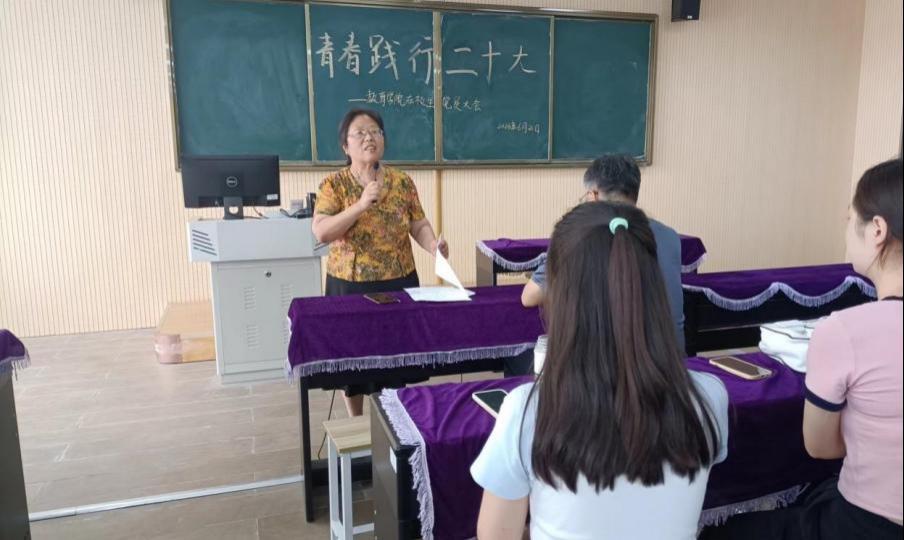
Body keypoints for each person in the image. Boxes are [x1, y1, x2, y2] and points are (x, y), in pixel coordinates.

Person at [471, 202, 729, 540]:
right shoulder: (710, 396)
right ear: (654, 286)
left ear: (562, 297)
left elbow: (495, 536)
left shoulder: (527, 410)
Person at [312, 108, 448, 417]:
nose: (369, 138)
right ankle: (357, 423)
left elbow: (418, 224)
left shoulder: (402, 182)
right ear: (345, 146)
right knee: (354, 361)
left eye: (375, 131)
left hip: (398, 280)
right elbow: (322, 231)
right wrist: (360, 205)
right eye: (360, 133)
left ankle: (396, 421)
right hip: (351, 285)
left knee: (396, 358)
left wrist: (433, 246)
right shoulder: (334, 185)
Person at [800, 158, 903, 538]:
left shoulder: (843, 331)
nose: (846, 232)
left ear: (877, 229)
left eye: (849, 219)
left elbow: (821, 447)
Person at [521, 154, 685, 351]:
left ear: (593, 196)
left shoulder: (578, 235)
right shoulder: (670, 237)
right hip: (673, 360)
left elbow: (529, 297)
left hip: (605, 366)